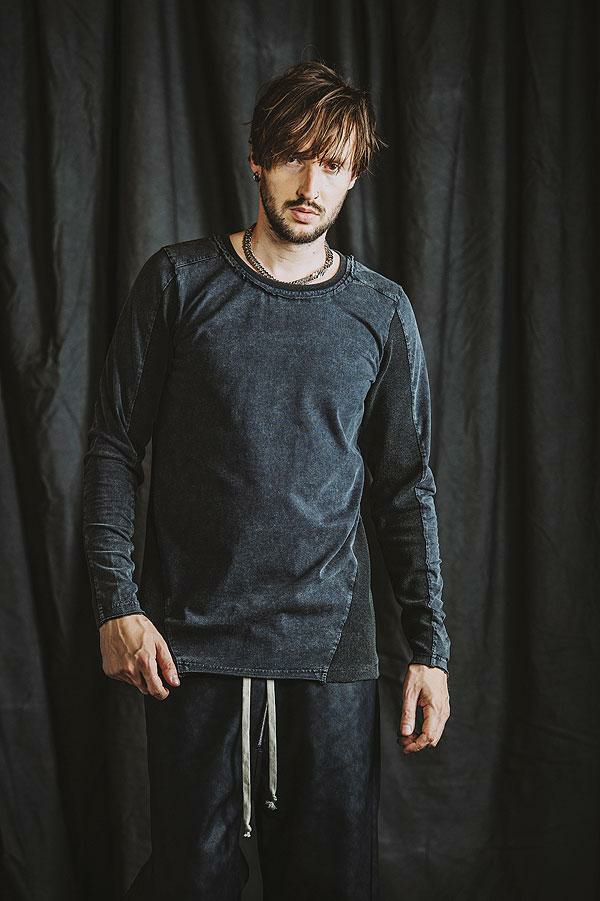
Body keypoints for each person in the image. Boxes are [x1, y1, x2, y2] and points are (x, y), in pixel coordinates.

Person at [82, 59, 451, 901]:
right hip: (190, 652)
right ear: (258, 157)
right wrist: (116, 603)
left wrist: (429, 650)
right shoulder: (178, 283)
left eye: (333, 164)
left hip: (330, 659)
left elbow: (405, 487)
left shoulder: (381, 312)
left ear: (353, 176)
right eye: (293, 156)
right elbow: (112, 446)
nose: (310, 184)